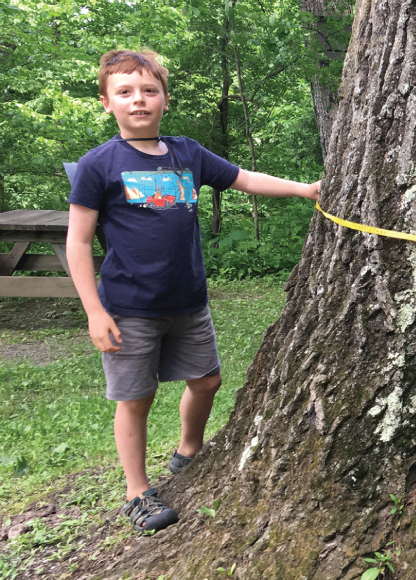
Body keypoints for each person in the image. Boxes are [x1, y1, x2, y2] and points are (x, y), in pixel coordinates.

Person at [65, 49, 321, 532]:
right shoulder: (98, 165)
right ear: (106, 103)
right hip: (129, 307)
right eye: (125, 92)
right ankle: (137, 491)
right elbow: (77, 242)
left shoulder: (187, 153)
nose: (138, 100)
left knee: (206, 381)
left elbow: (243, 178)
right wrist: (94, 312)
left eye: (148, 90)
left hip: (189, 302)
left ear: (164, 98)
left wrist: (304, 189)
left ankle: (188, 450)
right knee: (135, 400)